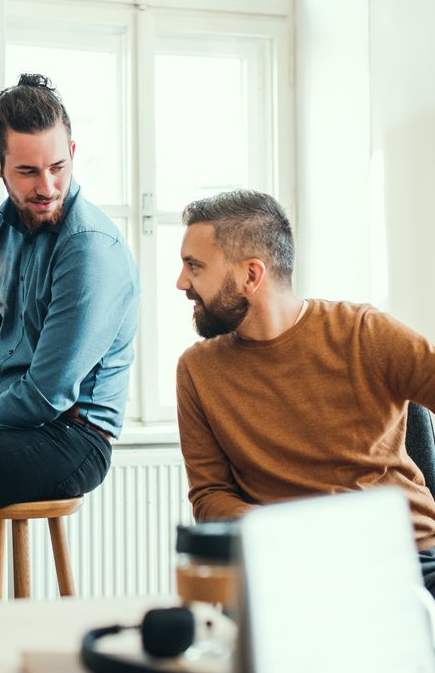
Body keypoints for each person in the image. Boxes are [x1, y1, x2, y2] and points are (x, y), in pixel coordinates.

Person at [174, 189, 435, 593]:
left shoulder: (363, 333)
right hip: (293, 569)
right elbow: (210, 496)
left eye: (194, 266)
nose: (181, 282)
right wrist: (289, 536)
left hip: (407, 558)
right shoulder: (197, 370)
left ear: (251, 275)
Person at [0, 73, 139, 515]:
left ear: (72, 154)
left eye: (58, 168)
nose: (47, 188)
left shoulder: (89, 246)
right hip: (10, 425)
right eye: (28, 172)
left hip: (73, 437)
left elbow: (47, 393)